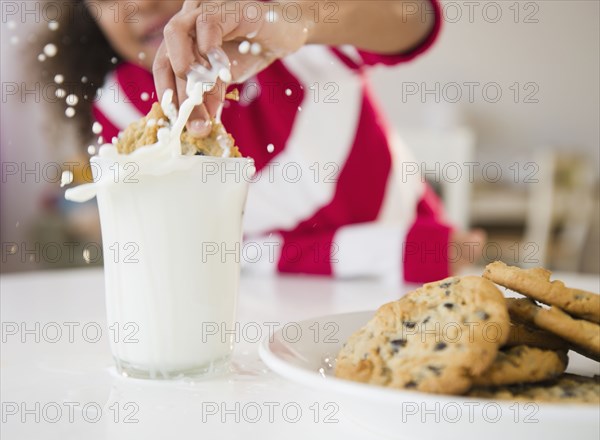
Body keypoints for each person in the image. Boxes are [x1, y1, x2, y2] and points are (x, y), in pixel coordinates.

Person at [43, 0, 485, 282]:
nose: (139, 2)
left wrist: (301, 19)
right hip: (258, 313)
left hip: (421, 278)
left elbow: (413, 18)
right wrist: (380, 251)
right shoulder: (121, 106)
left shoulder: (285, 29)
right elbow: (202, 253)